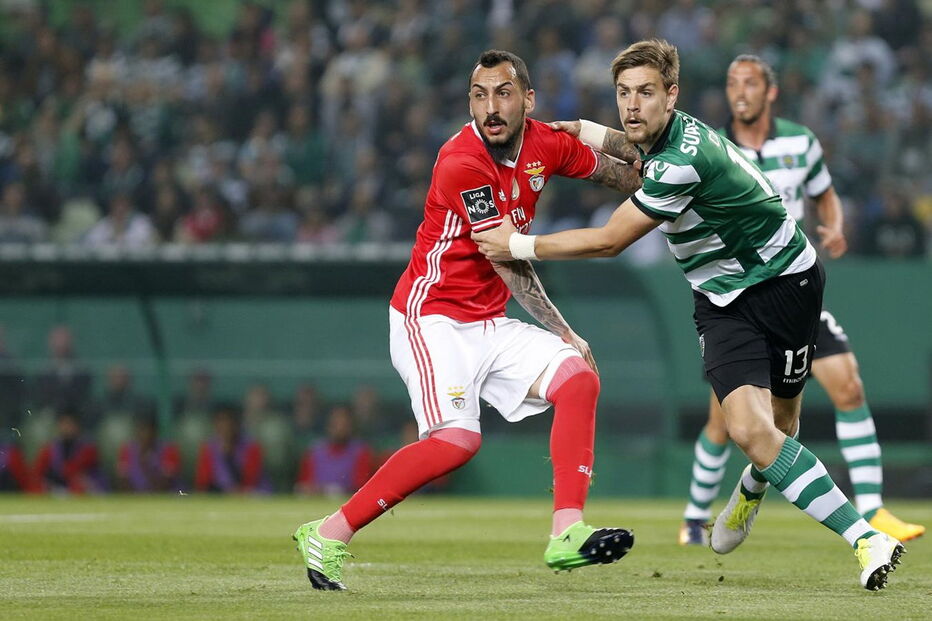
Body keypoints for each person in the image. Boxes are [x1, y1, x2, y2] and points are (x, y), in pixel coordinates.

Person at [472, 40, 905, 591]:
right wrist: (567, 129)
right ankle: (867, 539)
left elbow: (609, 241)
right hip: (722, 303)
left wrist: (520, 244)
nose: (632, 106)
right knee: (750, 428)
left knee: (783, 425)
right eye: (624, 93)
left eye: (646, 93)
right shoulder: (657, 135)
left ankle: (751, 487)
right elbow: (617, 143)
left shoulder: (682, 161)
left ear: (671, 96)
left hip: (787, 284)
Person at [292, 49, 642, 591]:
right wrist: (564, 331)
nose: (490, 108)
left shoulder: (545, 143)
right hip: (430, 318)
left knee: (579, 382)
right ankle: (330, 532)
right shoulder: (461, 161)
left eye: (503, 93)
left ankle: (567, 533)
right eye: (479, 96)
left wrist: (617, 141)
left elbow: (628, 177)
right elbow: (506, 259)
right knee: (457, 442)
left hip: (486, 320)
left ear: (528, 99)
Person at [677, 55, 924, 547]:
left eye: (749, 83)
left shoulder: (801, 142)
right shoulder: (708, 147)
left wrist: (833, 223)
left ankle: (873, 511)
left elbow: (824, 193)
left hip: (792, 289)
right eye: (731, 84)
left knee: (848, 385)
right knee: (728, 421)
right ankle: (693, 517)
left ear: (770, 91)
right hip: (738, 299)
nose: (739, 93)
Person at [294, 405, 373, 496]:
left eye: (344, 424)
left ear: (351, 426)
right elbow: (303, 486)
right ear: (329, 426)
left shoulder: (361, 452)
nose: (340, 429)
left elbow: (362, 488)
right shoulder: (314, 452)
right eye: (336, 424)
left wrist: (332, 491)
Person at [194, 404, 268, 494]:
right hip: (220, 496)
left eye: (228, 422)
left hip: (251, 496)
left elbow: (250, 481)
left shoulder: (251, 447)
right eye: (220, 422)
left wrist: (228, 457)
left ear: (236, 424)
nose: (225, 427)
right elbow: (202, 483)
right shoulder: (209, 448)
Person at [34, 408, 105, 494]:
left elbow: (73, 470)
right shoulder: (49, 449)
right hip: (57, 492)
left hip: (85, 493)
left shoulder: (88, 449)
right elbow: (37, 475)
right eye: (64, 424)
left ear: (78, 426)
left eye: (70, 424)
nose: (67, 428)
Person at [116, 415, 182, 492]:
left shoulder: (169, 449)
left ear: (155, 431)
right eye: (142, 430)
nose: (145, 435)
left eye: (148, 430)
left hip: (164, 497)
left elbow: (168, 481)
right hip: (135, 497)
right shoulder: (127, 450)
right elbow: (123, 480)